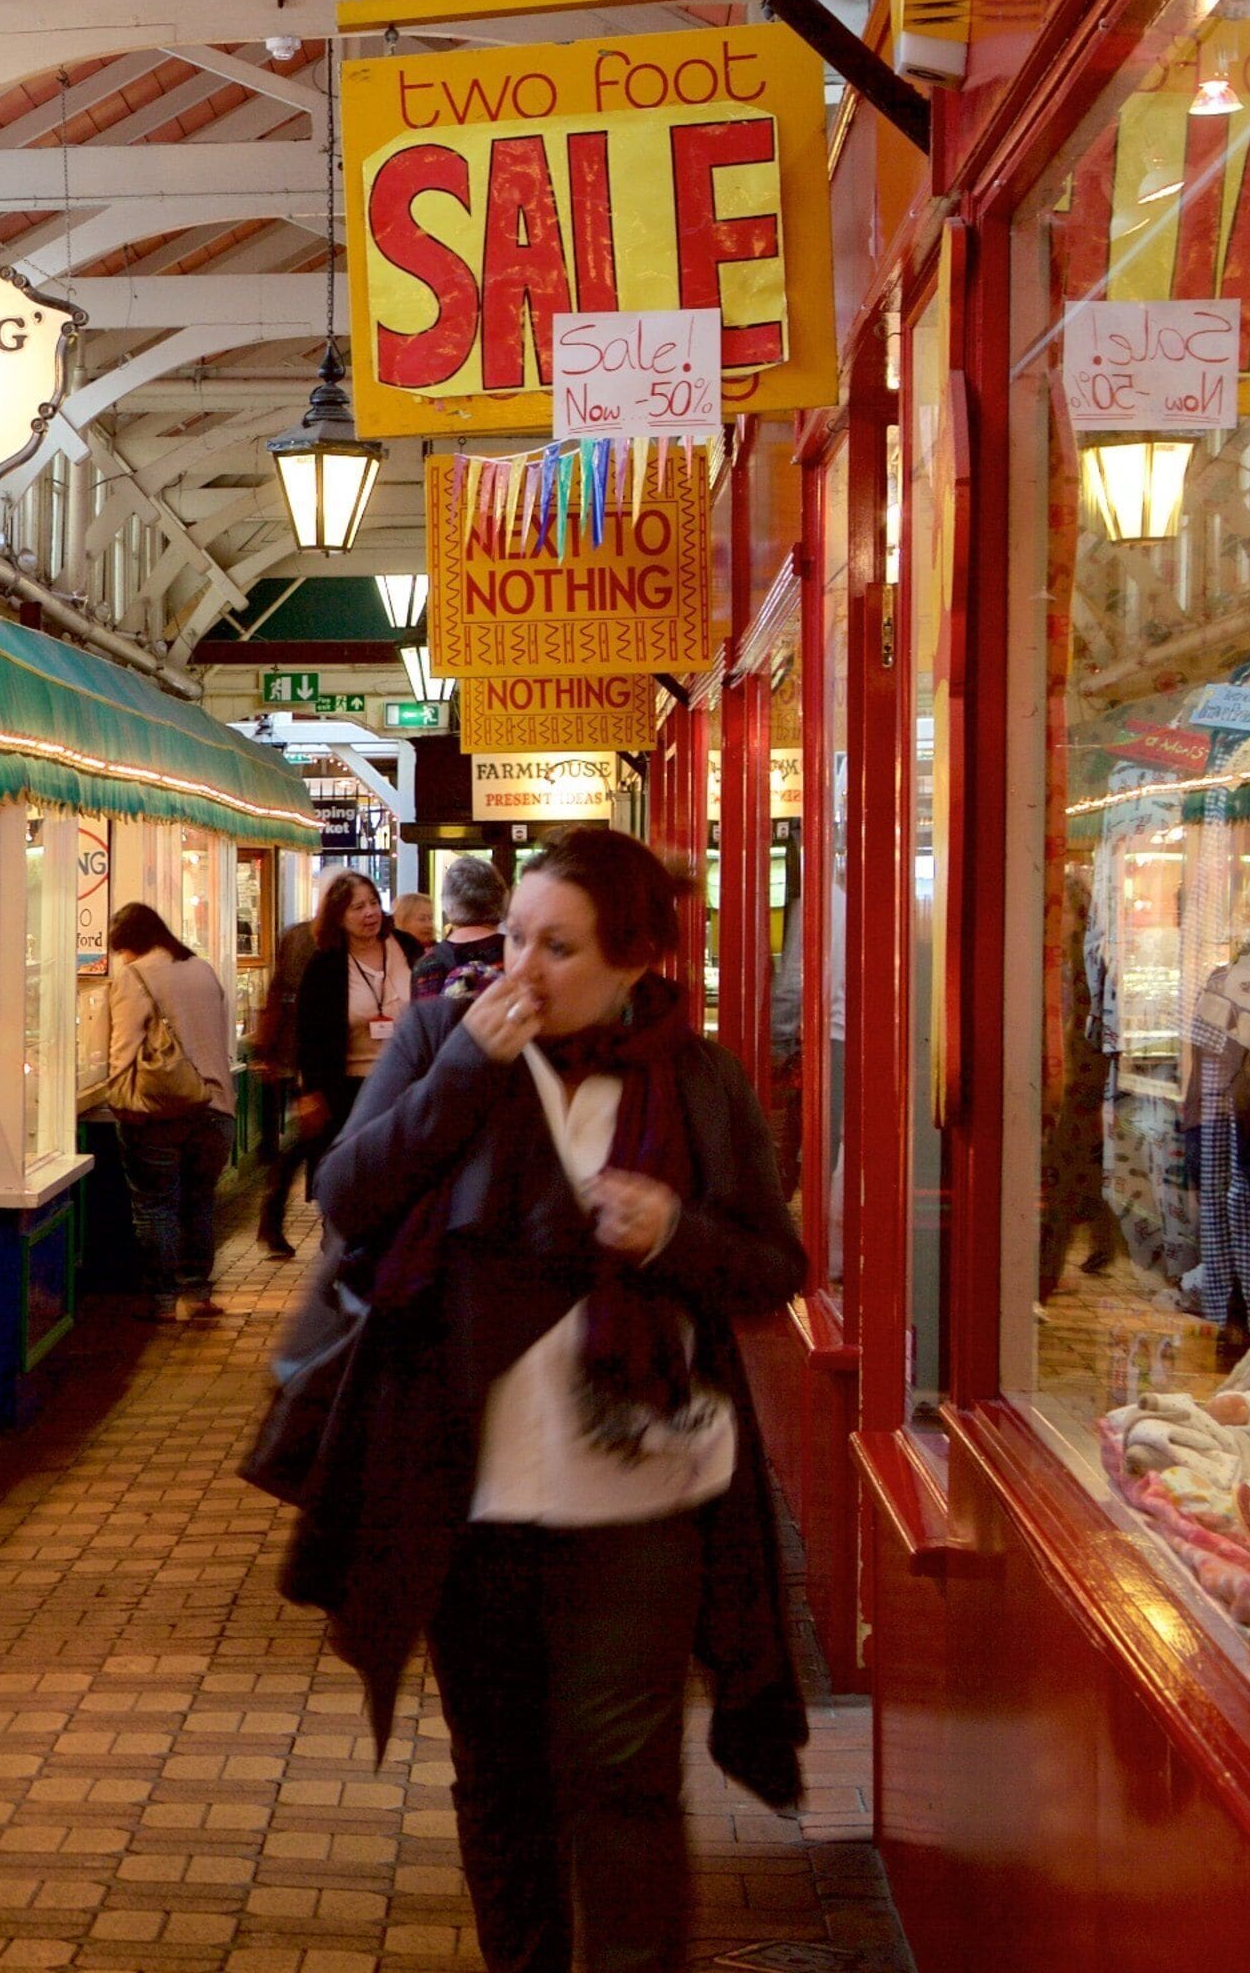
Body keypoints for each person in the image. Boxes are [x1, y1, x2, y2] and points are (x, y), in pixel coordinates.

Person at [286, 828, 808, 1973]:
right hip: (468, 1484)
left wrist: (676, 1233)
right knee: (503, 1777)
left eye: (558, 948)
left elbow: (774, 1269)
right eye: (515, 935)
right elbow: (348, 1198)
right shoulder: (440, 1036)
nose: (522, 968)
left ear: (634, 957)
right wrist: (464, 1072)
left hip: (643, 1490)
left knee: (620, 1777)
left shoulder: (700, 1080)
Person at [105, 902, 236, 1321]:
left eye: (121, 950)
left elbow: (123, 1048)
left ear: (131, 945)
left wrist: (117, 1092)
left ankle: (162, 1302)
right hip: (217, 1107)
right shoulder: (202, 968)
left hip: (162, 1110)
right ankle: (197, 1295)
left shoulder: (136, 974)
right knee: (199, 1204)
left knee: (156, 1205)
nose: (122, 958)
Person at [282, 871, 410, 1219]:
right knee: (351, 1186)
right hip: (347, 1092)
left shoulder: (406, 947)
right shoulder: (324, 967)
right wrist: (309, 1094)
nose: (369, 913)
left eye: (372, 903)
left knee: (400, 1185)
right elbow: (309, 1037)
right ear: (338, 916)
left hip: (404, 1085)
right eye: (357, 907)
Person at [248, 910, 322, 1258]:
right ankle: (273, 1219)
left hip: (297, 1060)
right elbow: (284, 998)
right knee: (306, 1142)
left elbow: (277, 996)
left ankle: (273, 1218)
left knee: (304, 1144)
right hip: (307, 1062)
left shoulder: (297, 936)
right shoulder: (308, 941)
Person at [409, 855, 512, 1002]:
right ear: (501, 899)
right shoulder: (517, 955)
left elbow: (422, 1023)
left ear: (447, 903)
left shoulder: (428, 965)